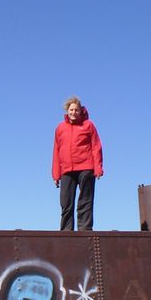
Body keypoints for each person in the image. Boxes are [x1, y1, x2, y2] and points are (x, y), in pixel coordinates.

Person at [52, 96, 104, 230]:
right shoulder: (60, 128)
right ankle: (66, 231)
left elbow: (96, 146)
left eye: (76, 110)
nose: (73, 112)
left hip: (86, 167)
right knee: (66, 203)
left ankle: (85, 229)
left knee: (85, 200)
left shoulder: (88, 125)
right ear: (67, 111)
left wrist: (98, 168)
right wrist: (56, 174)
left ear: (80, 111)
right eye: (71, 109)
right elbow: (56, 151)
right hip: (66, 170)